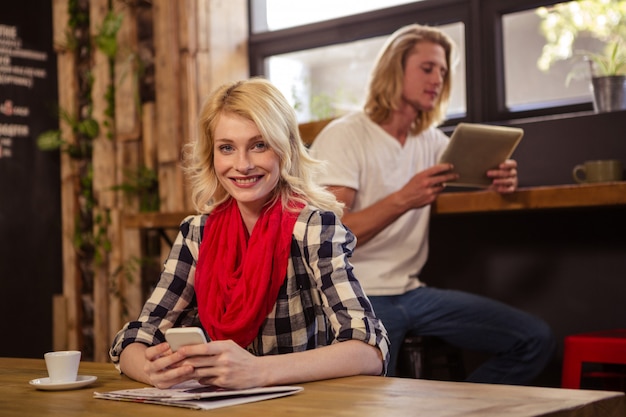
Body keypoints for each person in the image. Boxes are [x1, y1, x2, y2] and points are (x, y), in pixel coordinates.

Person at [309, 23, 555, 385]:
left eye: (442, 71)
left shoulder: (432, 142)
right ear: (395, 70)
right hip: (358, 293)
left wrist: (502, 182)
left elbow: (479, 181)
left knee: (534, 339)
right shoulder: (346, 136)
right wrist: (404, 199)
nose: (437, 79)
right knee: (369, 393)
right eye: (427, 68)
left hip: (412, 292)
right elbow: (329, 236)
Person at [110, 78, 390, 389]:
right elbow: (134, 338)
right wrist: (151, 370)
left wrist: (259, 371)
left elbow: (370, 350)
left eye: (259, 145)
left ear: (284, 150)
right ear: (212, 155)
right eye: (227, 148)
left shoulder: (313, 228)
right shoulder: (197, 233)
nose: (242, 165)